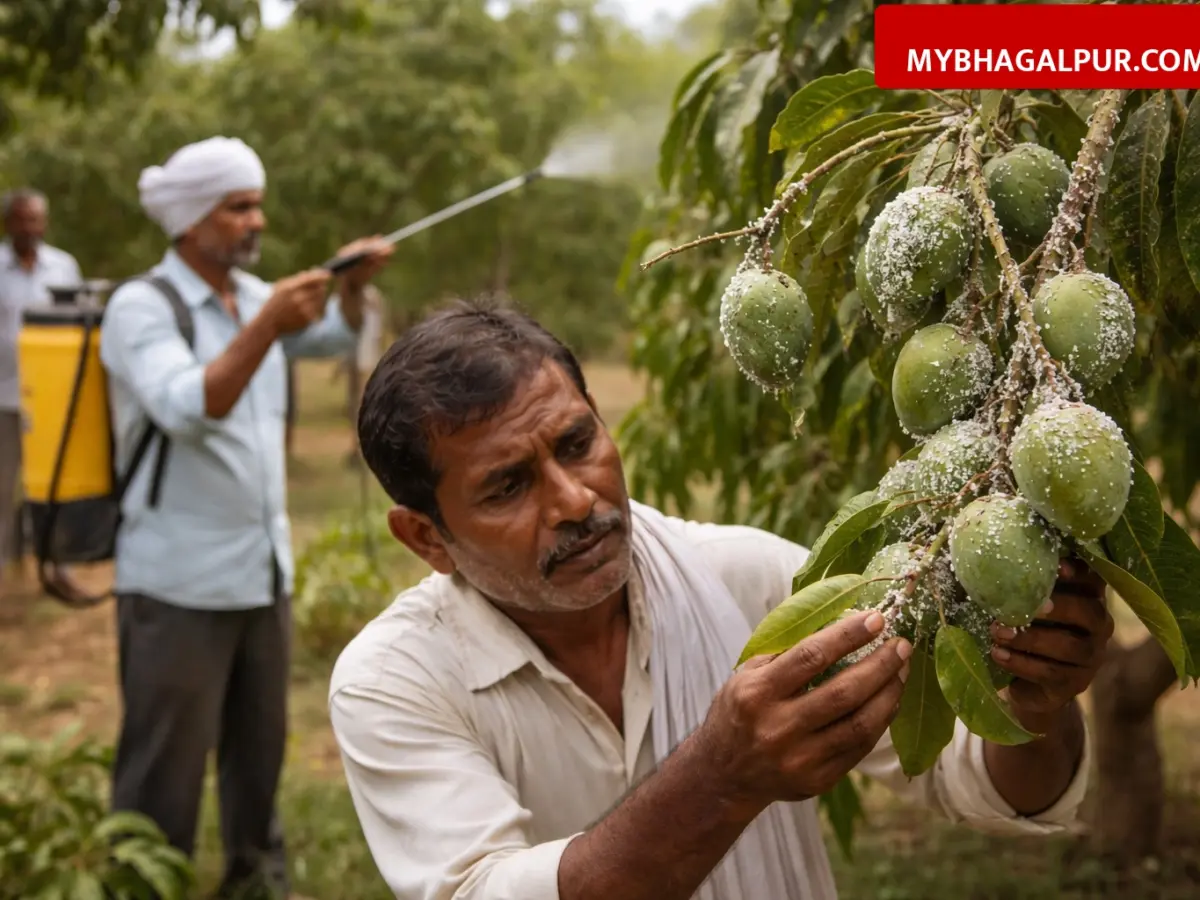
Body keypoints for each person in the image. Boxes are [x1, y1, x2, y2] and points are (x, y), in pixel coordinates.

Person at [331, 299, 1114, 900]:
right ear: (426, 538)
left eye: (577, 444)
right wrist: (720, 777)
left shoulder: (751, 581)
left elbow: (983, 786)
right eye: (508, 486)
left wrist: (1034, 705)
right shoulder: (395, 682)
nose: (574, 500)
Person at [98, 135, 393, 899]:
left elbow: (332, 337)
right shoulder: (141, 307)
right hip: (177, 582)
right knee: (164, 768)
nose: (256, 221)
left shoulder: (253, 296)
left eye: (257, 205)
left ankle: (257, 884)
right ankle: (142, 886)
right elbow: (189, 406)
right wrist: (265, 325)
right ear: (192, 219)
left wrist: (350, 289)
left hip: (262, 573)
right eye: (238, 208)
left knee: (257, 756)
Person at [0, 188, 85, 591]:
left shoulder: (64, 267)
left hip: (53, 397)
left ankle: (58, 566)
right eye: (20, 219)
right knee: (3, 485)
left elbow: (77, 322)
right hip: (4, 397)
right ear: (7, 223)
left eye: (34, 219)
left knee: (57, 483)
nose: (28, 227)